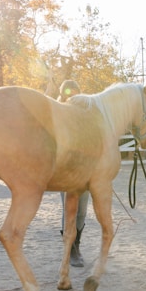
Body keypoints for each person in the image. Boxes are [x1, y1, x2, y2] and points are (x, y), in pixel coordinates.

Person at [57, 80, 89, 267]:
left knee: (82, 211)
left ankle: (77, 245)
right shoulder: (58, 116)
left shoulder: (85, 118)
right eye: (69, 95)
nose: (73, 98)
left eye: (76, 95)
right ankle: (70, 250)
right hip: (66, 171)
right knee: (69, 209)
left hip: (84, 170)